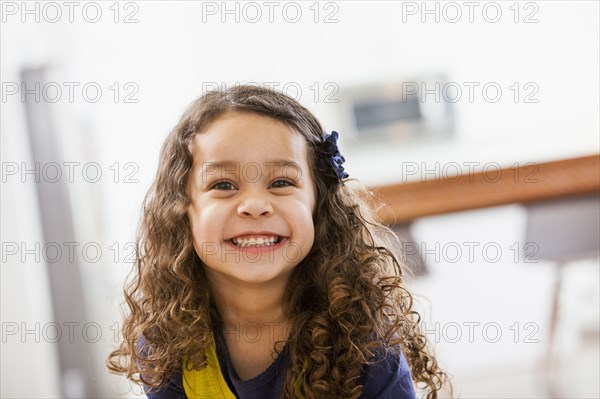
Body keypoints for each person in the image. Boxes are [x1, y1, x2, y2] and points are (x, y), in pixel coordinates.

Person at [107, 85, 452, 398]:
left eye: (281, 182)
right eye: (223, 185)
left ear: (319, 204)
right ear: (182, 211)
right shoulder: (165, 344)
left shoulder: (363, 334)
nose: (255, 205)